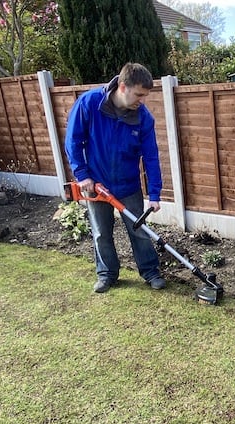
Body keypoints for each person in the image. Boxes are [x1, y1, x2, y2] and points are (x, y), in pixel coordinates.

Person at [64, 62, 166, 293]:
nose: (142, 100)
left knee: (138, 230)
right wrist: (82, 175)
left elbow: (151, 157)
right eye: (139, 94)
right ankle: (107, 274)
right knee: (101, 232)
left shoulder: (143, 118)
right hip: (96, 185)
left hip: (128, 185)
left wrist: (155, 194)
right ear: (122, 86)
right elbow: (73, 141)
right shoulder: (89, 104)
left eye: (145, 95)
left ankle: (151, 272)